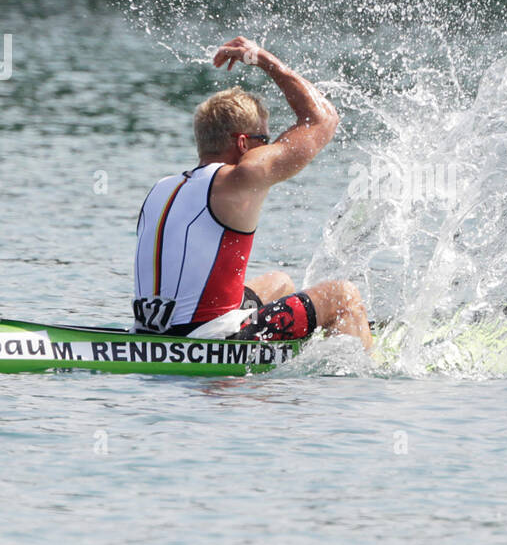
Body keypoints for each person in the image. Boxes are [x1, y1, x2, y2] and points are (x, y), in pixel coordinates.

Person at [133, 36, 372, 349]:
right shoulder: (240, 178)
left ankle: (307, 336)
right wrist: (263, 59)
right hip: (207, 339)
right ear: (243, 144)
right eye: (265, 140)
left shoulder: (162, 187)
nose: (271, 148)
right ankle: (366, 368)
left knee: (280, 283)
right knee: (343, 294)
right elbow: (323, 118)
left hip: (149, 332)